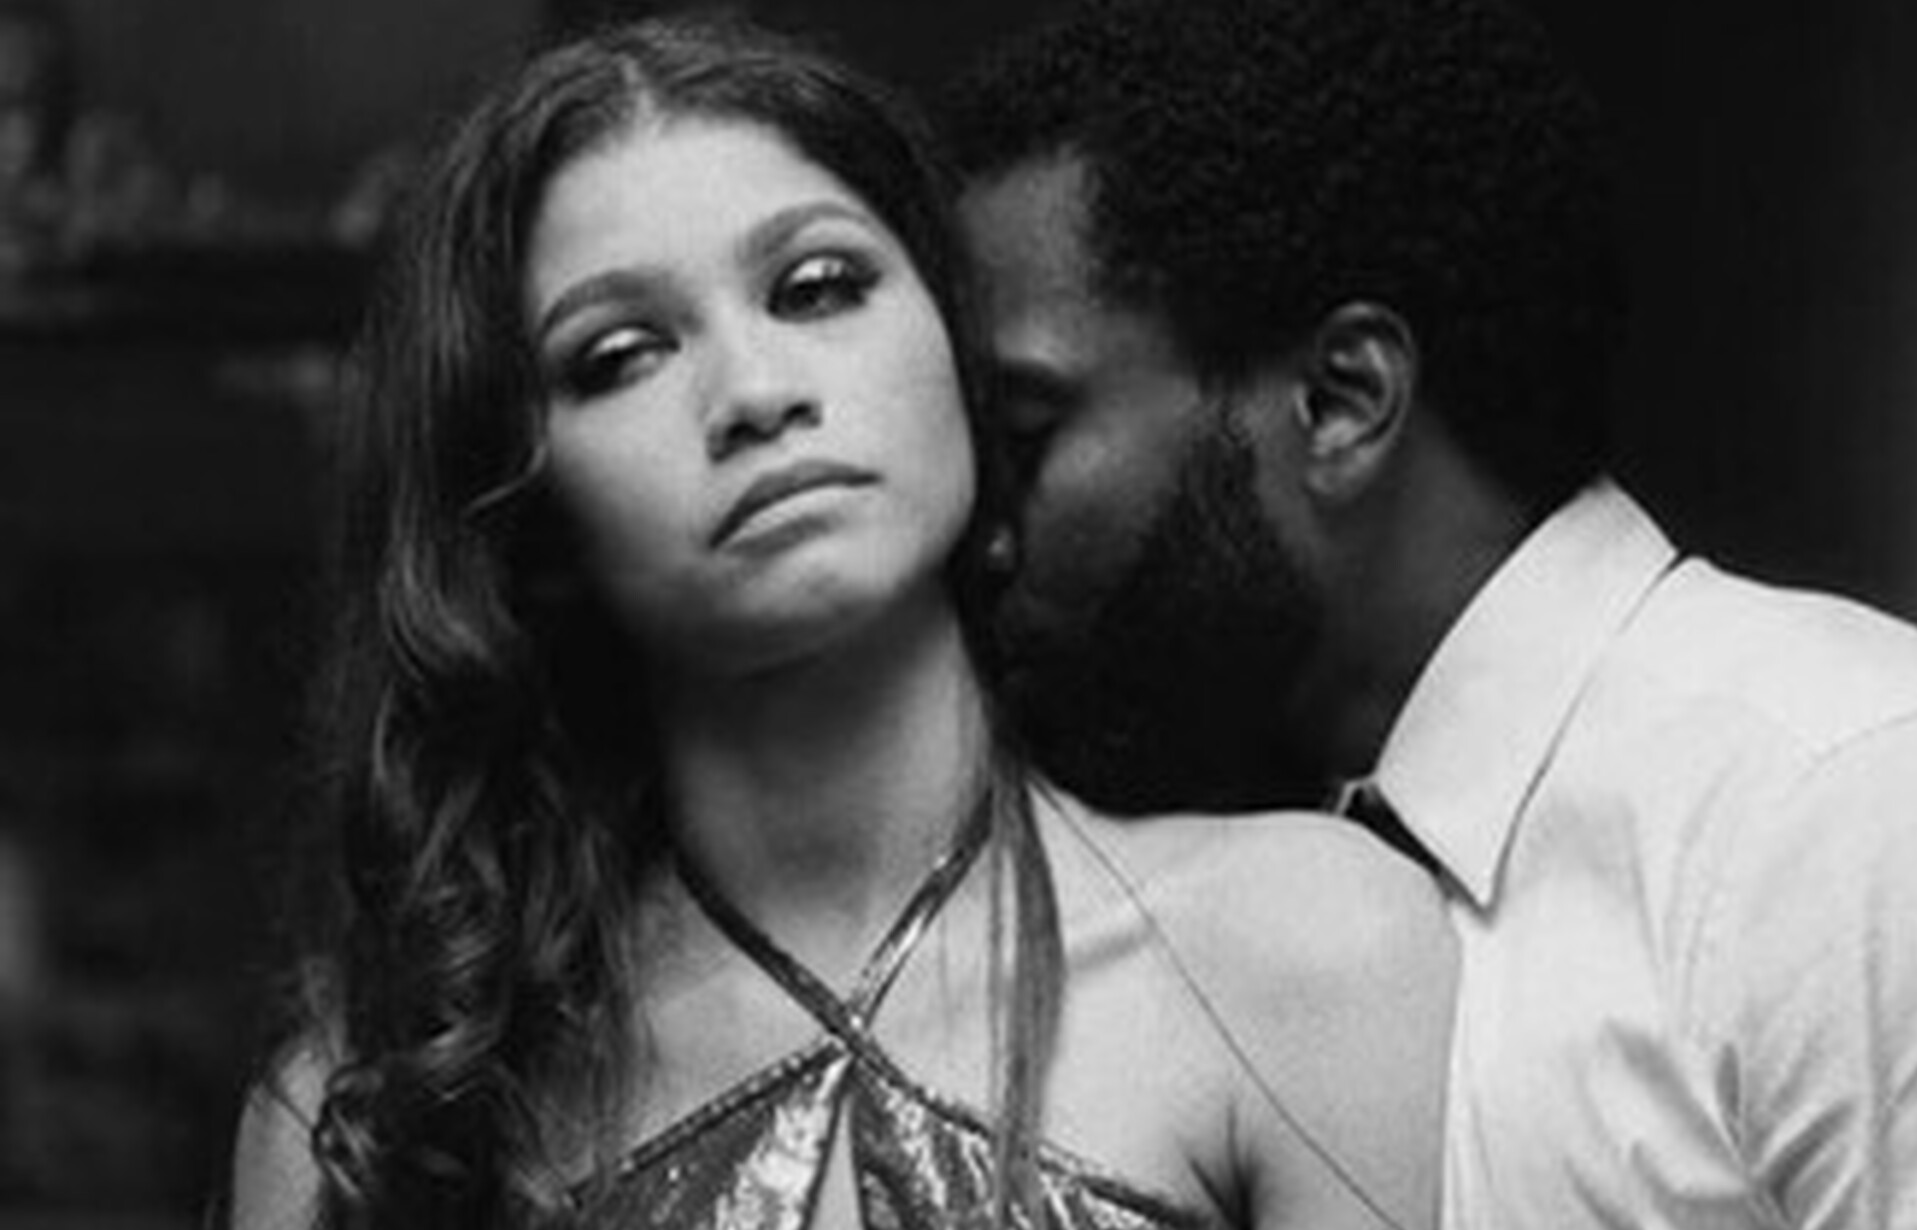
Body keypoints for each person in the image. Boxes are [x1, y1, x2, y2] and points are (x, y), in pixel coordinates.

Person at [944, 0, 1917, 1225]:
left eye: (1023, 433)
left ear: (1341, 401)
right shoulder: (1261, 898)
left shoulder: (1882, 820)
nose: (980, 530)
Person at [226, 15, 1454, 1230]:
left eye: (817, 288)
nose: (755, 394)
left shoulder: (1304, 945)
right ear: (526, 507)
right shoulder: (372, 1116)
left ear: (959, 350)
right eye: (620, 355)